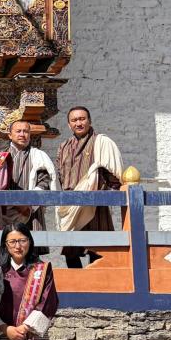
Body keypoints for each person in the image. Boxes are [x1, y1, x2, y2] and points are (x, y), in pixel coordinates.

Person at [56, 106, 123, 268]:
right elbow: (60, 176)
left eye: (82, 119)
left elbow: (114, 173)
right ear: (69, 125)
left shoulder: (101, 142)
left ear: (89, 120)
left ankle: (99, 289)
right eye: (74, 120)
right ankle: (76, 288)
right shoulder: (63, 147)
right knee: (71, 251)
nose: (78, 123)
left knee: (99, 251)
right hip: (71, 204)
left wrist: (105, 193)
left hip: (95, 204)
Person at [2, 120, 59, 230]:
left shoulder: (39, 155)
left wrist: (28, 204)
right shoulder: (1, 156)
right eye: (18, 131)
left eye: (26, 131)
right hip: (6, 210)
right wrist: (15, 203)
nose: (22, 135)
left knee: (34, 241)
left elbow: (45, 181)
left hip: (32, 210)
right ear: (10, 135)